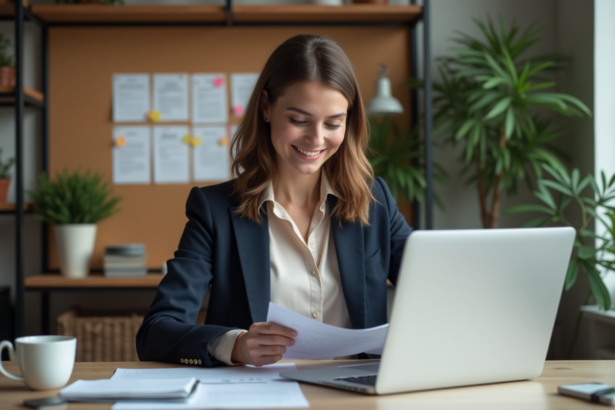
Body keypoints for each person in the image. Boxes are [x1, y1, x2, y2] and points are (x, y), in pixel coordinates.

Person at [136, 34, 412, 368]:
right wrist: (235, 345)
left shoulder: (375, 201)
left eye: (333, 123)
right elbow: (155, 332)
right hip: (260, 395)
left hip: (356, 394)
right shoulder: (215, 211)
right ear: (266, 107)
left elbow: (439, 285)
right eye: (299, 120)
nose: (316, 138)